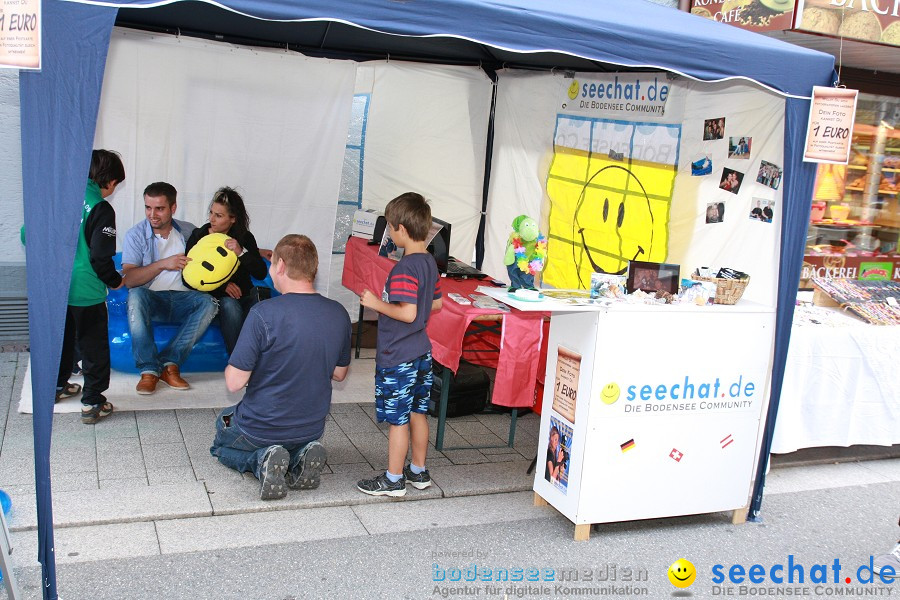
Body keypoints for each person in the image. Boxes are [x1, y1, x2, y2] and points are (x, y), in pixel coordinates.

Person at [211, 234, 351, 500]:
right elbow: (339, 373)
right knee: (282, 433)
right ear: (314, 268)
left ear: (281, 266)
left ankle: (262, 460)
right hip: (311, 427)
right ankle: (300, 455)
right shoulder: (339, 313)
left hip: (261, 428)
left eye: (272, 263)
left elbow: (234, 382)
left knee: (221, 434)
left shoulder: (263, 313)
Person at [356, 192, 443, 497]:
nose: (390, 233)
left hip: (399, 355)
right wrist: (414, 309)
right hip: (421, 352)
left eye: (391, 227)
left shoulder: (404, 269)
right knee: (418, 413)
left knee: (398, 419)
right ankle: (418, 472)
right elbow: (436, 305)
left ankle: (394, 479)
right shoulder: (429, 262)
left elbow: (407, 313)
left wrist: (377, 304)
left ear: (402, 230)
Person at [122, 182, 219, 395]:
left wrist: (254, 250)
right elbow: (129, 279)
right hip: (153, 299)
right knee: (135, 294)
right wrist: (163, 264)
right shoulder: (136, 235)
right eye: (148, 207)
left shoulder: (189, 231)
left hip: (185, 300)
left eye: (159, 208)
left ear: (173, 208)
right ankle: (148, 370)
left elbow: (218, 249)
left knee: (209, 302)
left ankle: (170, 364)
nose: (152, 214)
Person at [56, 150, 126, 424]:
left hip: (56, 288)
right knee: (93, 346)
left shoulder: (59, 198)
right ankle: (92, 401)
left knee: (61, 339)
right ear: (108, 181)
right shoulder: (100, 208)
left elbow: (28, 234)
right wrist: (115, 280)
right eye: (116, 184)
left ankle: (57, 386)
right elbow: (100, 256)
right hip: (86, 290)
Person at [185, 187, 267, 354]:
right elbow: (188, 277)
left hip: (244, 296)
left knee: (263, 298)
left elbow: (260, 273)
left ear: (233, 219)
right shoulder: (199, 236)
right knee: (229, 304)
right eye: (211, 213)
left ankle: (267, 361)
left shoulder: (244, 237)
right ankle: (239, 363)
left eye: (219, 215)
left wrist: (241, 252)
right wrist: (222, 287)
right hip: (213, 300)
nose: (212, 219)